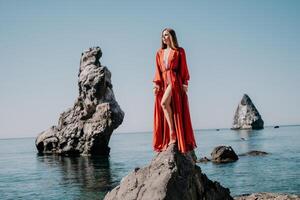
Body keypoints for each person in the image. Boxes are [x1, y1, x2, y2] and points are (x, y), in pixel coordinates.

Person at [153, 28, 197, 153]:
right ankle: (171, 134)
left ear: (172, 36)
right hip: (164, 81)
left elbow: (184, 68)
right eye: (162, 36)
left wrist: (185, 83)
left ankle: (172, 132)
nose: (164, 37)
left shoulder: (179, 51)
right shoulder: (159, 53)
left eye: (166, 35)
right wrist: (156, 84)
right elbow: (157, 70)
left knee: (164, 103)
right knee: (165, 105)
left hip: (174, 80)